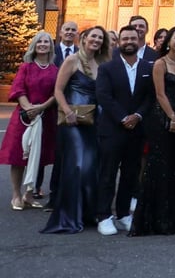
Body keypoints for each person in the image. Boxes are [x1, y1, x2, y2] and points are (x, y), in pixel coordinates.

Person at [43, 27, 109, 233]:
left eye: (100, 37)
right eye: (93, 36)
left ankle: (88, 213)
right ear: (85, 38)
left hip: (95, 121)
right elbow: (58, 90)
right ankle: (69, 215)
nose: (96, 40)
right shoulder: (72, 60)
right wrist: (67, 111)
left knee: (92, 168)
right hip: (73, 121)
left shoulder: (103, 62)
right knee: (77, 166)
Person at [130, 26, 175, 236]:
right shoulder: (160, 63)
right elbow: (159, 94)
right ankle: (150, 220)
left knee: (171, 168)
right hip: (160, 117)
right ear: (169, 41)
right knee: (157, 166)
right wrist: (172, 117)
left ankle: (168, 219)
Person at [95, 25, 154, 236]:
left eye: (133, 38)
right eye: (125, 38)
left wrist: (137, 116)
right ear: (119, 42)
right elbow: (104, 96)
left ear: (139, 41)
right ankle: (103, 216)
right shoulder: (107, 68)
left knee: (130, 174)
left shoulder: (148, 67)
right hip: (112, 129)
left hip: (137, 130)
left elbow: (150, 97)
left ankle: (122, 214)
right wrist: (122, 117)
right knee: (108, 174)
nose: (130, 41)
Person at [2, 32, 58, 210]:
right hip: (24, 119)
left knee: (38, 157)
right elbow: (18, 89)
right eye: (39, 41)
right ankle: (16, 195)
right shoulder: (26, 67)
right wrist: (30, 109)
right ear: (34, 45)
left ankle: (28, 194)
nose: (43, 44)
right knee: (19, 156)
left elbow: (56, 94)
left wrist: (41, 109)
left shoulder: (55, 70)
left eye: (46, 42)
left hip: (45, 117)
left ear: (51, 46)